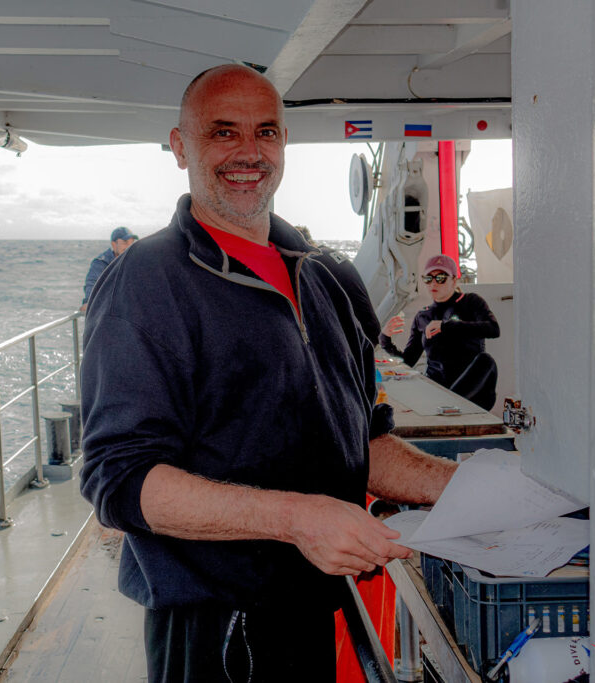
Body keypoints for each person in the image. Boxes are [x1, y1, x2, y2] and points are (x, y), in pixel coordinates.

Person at [79, 64, 458, 682]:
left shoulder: (328, 277)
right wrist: (297, 519)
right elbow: (119, 480)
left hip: (316, 610)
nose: (248, 153)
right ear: (180, 147)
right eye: (223, 132)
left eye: (266, 132)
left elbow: (363, 442)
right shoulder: (146, 282)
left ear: (284, 142)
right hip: (216, 631)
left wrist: (469, 487)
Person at [379, 253, 500, 410]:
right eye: (428, 278)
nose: (433, 283)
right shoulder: (423, 316)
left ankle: (449, 402)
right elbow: (408, 361)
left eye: (440, 278)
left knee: (486, 361)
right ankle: (445, 402)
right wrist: (385, 339)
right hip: (437, 388)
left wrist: (446, 326)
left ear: (454, 280)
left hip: (471, 390)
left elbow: (493, 329)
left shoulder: (471, 302)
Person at [79, 226, 138, 311]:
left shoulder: (135, 260)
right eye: (125, 242)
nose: (129, 246)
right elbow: (92, 283)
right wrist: (89, 301)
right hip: (108, 309)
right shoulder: (101, 262)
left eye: (131, 243)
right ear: (114, 244)